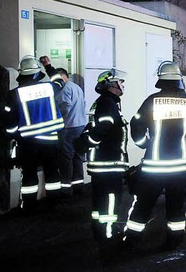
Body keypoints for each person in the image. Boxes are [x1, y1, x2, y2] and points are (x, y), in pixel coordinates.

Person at [124, 61, 186, 250]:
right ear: (179, 80)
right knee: (176, 206)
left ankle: (132, 239)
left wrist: (145, 144)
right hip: (181, 167)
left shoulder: (151, 101)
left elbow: (136, 125)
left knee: (143, 204)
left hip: (154, 167)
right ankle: (174, 241)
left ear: (161, 80)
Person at [3, 56, 64, 212]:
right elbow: (60, 81)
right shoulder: (49, 87)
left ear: (21, 74)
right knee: (52, 173)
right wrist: (49, 66)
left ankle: (29, 206)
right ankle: (54, 204)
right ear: (37, 73)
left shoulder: (13, 95)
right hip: (50, 140)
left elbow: (10, 123)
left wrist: (11, 138)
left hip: (27, 143)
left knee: (29, 175)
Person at [78, 68, 129, 244]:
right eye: (121, 82)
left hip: (102, 163)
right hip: (108, 163)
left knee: (100, 200)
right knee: (110, 199)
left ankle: (99, 230)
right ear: (112, 84)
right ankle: (108, 234)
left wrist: (86, 143)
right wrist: (88, 142)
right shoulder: (107, 103)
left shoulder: (106, 102)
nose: (123, 85)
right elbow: (101, 130)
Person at [53, 68, 87, 198]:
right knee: (77, 156)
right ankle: (79, 184)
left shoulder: (65, 88)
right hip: (80, 125)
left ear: (62, 76)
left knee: (66, 158)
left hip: (68, 126)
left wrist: (56, 118)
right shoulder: (77, 87)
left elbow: (65, 107)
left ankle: (66, 188)